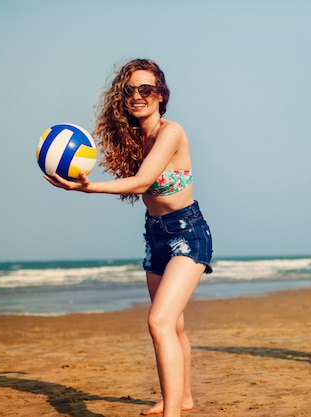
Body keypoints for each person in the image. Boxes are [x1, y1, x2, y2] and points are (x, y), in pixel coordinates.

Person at [44, 58, 213, 416]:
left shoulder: (172, 132)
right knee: (175, 324)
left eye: (146, 89)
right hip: (156, 236)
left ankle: (173, 413)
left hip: (188, 233)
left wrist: (88, 189)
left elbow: (141, 182)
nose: (137, 96)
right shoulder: (134, 136)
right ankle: (181, 397)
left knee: (159, 322)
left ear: (161, 95)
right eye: (129, 90)